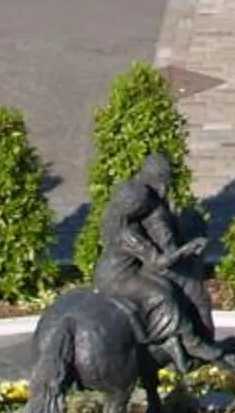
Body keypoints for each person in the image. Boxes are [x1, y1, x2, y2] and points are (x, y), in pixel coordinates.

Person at [90, 152, 223, 358]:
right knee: (163, 296)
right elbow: (160, 261)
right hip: (118, 278)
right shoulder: (128, 235)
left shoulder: (116, 218)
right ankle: (185, 342)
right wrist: (188, 248)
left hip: (117, 270)